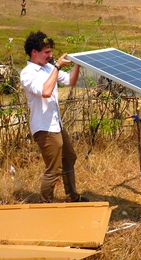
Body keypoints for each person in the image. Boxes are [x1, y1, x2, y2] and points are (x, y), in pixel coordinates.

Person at [20, 31, 88, 203]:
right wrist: (57, 66)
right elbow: (46, 91)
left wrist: (77, 64)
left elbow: (71, 81)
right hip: (44, 128)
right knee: (53, 169)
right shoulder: (28, 73)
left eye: (51, 52)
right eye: (46, 52)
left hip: (56, 125)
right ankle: (45, 204)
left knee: (70, 157)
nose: (50, 55)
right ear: (34, 52)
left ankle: (72, 197)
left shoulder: (49, 67)